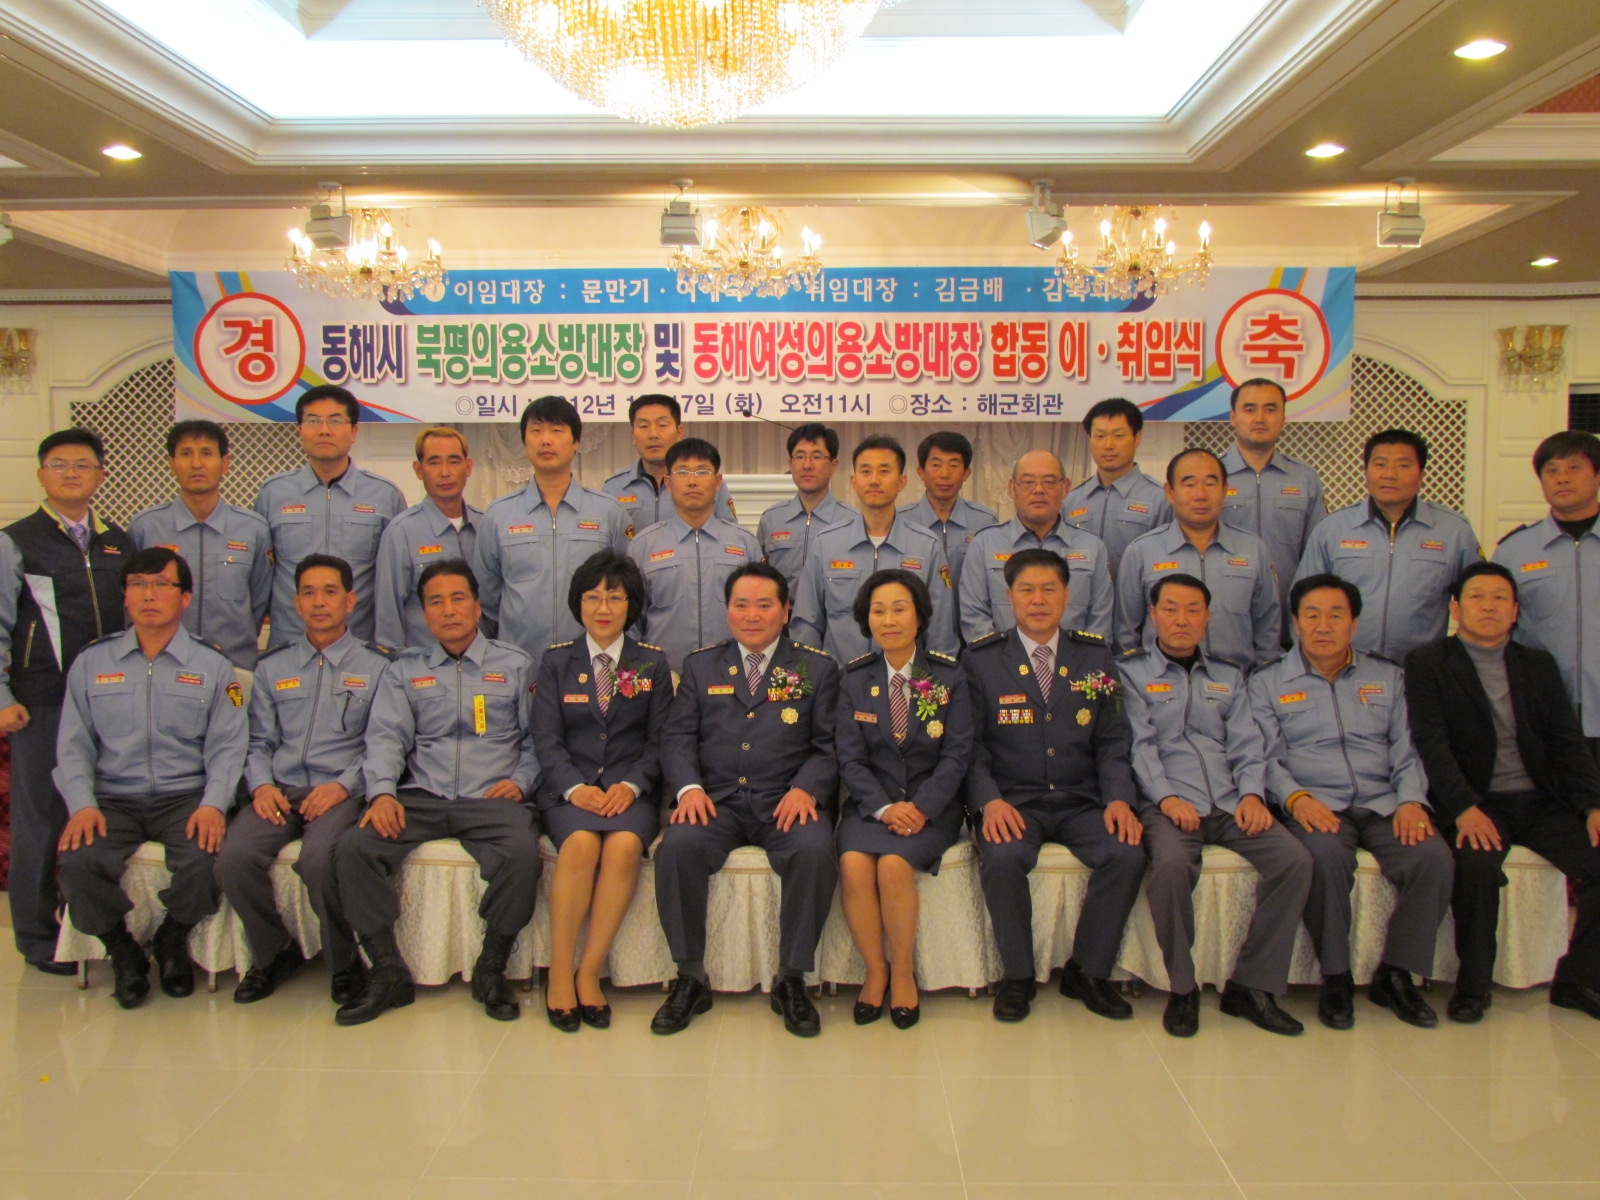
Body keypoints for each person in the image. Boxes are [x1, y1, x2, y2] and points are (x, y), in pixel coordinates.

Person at [334, 559, 542, 1025]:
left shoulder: (515, 664)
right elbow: (386, 738)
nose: (448, 610)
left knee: (523, 855)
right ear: (424, 613)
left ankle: (491, 968)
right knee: (353, 848)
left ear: (477, 605)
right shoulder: (405, 670)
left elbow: (538, 739)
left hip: (492, 796)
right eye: (436, 602)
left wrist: (522, 780)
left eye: (457, 598)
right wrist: (381, 792)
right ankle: (387, 970)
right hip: (422, 795)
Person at [1249, 573, 1454, 1030]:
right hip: (1315, 802)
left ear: (1354, 623)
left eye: (1335, 615)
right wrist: (1295, 798)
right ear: (1295, 623)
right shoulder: (1266, 682)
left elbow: (1408, 748)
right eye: (1312, 616)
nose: (1323, 626)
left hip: (1385, 801)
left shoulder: (1389, 676)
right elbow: (1264, 756)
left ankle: (1396, 974)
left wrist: (1412, 800)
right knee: (1324, 859)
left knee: (1433, 858)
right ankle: (1336, 975)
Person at [1404, 561, 1600, 1023]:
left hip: (1540, 801)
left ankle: (1576, 979)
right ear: (1456, 608)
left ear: (1514, 611)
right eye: (1476, 597)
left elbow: (1566, 743)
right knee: (1476, 867)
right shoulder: (1428, 664)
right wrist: (1463, 807)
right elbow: (1431, 745)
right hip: (1475, 802)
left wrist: (1592, 805)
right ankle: (1473, 988)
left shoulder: (1537, 665)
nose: (1488, 606)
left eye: (1499, 599)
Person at [651, 562, 840, 1038]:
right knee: (677, 848)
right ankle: (690, 977)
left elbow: (830, 746)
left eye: (764, 605)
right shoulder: (700, 666)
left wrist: (806, 788)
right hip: (715, 802)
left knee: (814, 851)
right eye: (741, 605)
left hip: (785, 801)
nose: (752, 615)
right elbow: (677, 738)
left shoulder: (817, 667)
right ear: (728, 610)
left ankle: (791, 979)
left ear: (786, 610)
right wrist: (689, 789)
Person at [53, 547, 247, 1009]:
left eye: (162, 584)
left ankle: (171, 937)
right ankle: (121, 949)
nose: (149, 595)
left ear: (185, 597)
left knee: (207, 858)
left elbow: (229, 744)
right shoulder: (92, 662)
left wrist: (214, 804)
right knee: (77, 862)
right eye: (138, 585)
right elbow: (73, 745)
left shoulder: (214, 666)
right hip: (111, 798)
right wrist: (82, 804)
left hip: (186, 796)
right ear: (124, 596)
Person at [1118, 573, 1309, 1038]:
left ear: (1207, 617)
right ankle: (1183, 987)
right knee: (1170, 868)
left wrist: (1252, 794)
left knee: (1295, 861)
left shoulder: (1228, 675)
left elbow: (1247, 743)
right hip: (1166, 802)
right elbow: (1139, 746)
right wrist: (1166, 798)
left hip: (1229, 801)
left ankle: (1252, 985)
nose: (1181, 619)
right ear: (1153, 615)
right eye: (1170, 609)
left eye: (1193, 610)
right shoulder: (1131, 673)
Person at [964, 548, 1144, 1023]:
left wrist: (1119, 799)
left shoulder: (1094, 655)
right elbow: (970, 747)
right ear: (1009, 597)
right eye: (1027, 590)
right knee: (1002, 858)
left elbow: (1113, 739)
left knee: (1127, 852)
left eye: (1049, 589)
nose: (1038, 600)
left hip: (1081, 799)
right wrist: (988, 802)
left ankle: (1088, 971)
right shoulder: (982, 660)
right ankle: (1018, 976)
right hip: (1014, 801)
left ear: (1067, 595)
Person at [215, 554, 393, 1006]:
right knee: (234, 857)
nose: (319, 602)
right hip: (280, 790)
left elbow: (383, 744)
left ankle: (343, 962)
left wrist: (344, 786)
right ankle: (273, 952)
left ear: (350, 600)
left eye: (330, 592)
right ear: (295, 603)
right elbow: (257, 740)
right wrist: (261, 786)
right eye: (309, 593)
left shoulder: (377, 668)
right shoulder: (273, 666)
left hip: (340, 792)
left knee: (319, 860)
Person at [0, 428, 135, 975]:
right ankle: (37, 938)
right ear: (41, 474)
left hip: (110, 703)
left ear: (101, 475)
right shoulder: (16, 541)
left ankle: (96, 929)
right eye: (59, 464)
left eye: (83, 465)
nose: (72, 473)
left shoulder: (117, 543)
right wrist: (2, 695)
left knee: (100, 816)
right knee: (42, 819)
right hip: (44, 701)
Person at [533, 550, 674, 1031]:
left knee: (623, 847)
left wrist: (631, 785)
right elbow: (546, 739)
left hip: (630, 792)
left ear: (630, 605)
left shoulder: (652, 663)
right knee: (579, 845)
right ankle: (559, 973)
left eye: (615, 598)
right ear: (579, 604)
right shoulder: (556, 662)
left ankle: (589, 972)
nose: (603, 608)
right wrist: (574, 788)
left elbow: (660, 741)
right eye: (593, 597)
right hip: (570, 792)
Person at [835, 569, 972, 1029]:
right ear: (866, 620)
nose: (889, 620)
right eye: (878, 611)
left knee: (893, 866)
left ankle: (903, 972)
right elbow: (850, 759)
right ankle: (876, 971)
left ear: (919, 617)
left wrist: (921, 807)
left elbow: (957, 755)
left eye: (899, 609)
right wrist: (884, 808)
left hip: (931, 808)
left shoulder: (948, 676)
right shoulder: (854, 679)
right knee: (854, 864)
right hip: (871, 806)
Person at [1294, 429, 1480, 662]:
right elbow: (1302, 601)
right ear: (1366, 471)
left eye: (1403, 466)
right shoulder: (1332, 529)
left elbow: (1478, 600)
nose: (1390, 475)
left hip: (1421, 668)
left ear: (1421, 474)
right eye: (1380, 464)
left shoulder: (1454, 531)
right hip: (1344, 668)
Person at [473, 396, 629, 670]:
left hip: (593, 664)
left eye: (557, 431)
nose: (546, 440)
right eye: (536, 430)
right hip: (519, 663)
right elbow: (486, 599)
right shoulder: (499, 515)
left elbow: (628, 588)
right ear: (524, 441)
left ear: (576, 442)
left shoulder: (608, 512)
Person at [254, 384, 405, 645]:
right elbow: (259, 575)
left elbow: (396, 579)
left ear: (354, 431)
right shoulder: (273, 493)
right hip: (290, 646)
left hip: (359, 647)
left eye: (335, 420)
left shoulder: (384, 495)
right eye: (313, 421)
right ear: (300, 429)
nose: (324, 430)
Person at [790, 435, 956, 665]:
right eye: (866, 472)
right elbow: (806, 623)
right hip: (839, 679)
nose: (874, 480)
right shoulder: (826, 544)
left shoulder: (927, 546)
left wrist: (932, 681)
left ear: (902, 482)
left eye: (884, 471)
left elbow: (941, 630)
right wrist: (814, 677)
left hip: (907, 680)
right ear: (854, 481)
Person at [1116, 448, 1280, 668]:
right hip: (1161, 683)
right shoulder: (1142, 551)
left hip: (1237, 681)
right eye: (1190, 484)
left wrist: (1262, 679)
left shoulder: (1253, 550)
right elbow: (1125, 633)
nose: (1200, 495)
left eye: (1210, 484)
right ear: (1170, 492)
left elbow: (1268, 631)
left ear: (1225, 490)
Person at [128, 419, 272, 669]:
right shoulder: (145, 527)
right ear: (172, 463)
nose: (196, 464)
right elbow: (131, 600)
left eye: (206, 453)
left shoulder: (253, 529)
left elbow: (258, 602)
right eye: (186, 454)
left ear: (225, 463)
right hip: (161, 666)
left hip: (234, 666)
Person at [1492, 430, 1600, 759]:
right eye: (1551, 470)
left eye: (1574, 468)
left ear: (1597, 475)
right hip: (1542, 714)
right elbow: (1493, 631)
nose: (1562, 478)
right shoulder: (1514, 551)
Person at [627, 438, 761, 672]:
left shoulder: (745, 543)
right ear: (668, 482)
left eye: (702, 472)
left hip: (734, 675)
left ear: (717, 482)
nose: (692, 481)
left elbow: (761, 614)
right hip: (664, 676)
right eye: (682, 472)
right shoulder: (643, 546)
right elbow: (630, 622)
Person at [959, 450, 1114, 645]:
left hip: (1074, 661)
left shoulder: (1092, 547)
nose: (1038, 490)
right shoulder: (984, 544)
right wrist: (1001, 658)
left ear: (1065, 488)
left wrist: (1076, 659)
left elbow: (1100, 619)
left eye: (1049, 482)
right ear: (1012, 488)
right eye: (1028, 482)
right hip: (1001, 661)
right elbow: (974, 616)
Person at [1219, 378, 1326, 625]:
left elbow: (1317, 554)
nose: (1260, 418)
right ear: (1233, 417)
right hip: (1224, 616)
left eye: (1270, 409)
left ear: (1283, 418)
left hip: (1289, 616)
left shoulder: (1304, 478)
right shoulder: (1210, 475)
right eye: (1250, 410)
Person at [375, 426, 483, 650]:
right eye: (434, 462)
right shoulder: (401, 532)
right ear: (418, 470)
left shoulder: (486, 525)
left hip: (482, 663)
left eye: (454, 461)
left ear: (468, 467)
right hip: (423, 664)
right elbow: (389, 614)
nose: (445, 472)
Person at [1062, 398, 1172, 572]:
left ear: (1137, 438)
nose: (1108, 445)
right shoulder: (1072, 501)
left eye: (1118, 436)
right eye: (1100, 436)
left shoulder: (1160, 500)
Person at [602, 394, 737, 529]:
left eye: (662, 425)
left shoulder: (707, 482)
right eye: (643, 426)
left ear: (679, 432)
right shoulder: (614, 487)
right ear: (632, 435)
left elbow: (730, 534)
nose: (653, 434)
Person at [901, 431, 998, 609]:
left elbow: (994, 582)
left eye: (953, 465)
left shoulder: (985, 521)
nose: (944, 474)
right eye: (936, 465)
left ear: (966, 473)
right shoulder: (901, 521)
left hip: (970, 621)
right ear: (921, 472)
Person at [757, 422, 853, 590]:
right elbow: (758, 578)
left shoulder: (852, 520)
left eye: (816, 457)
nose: (807, 465)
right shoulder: (771, 519)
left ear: (834, 465)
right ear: (790, 463)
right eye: (800, 457)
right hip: (784, 607)